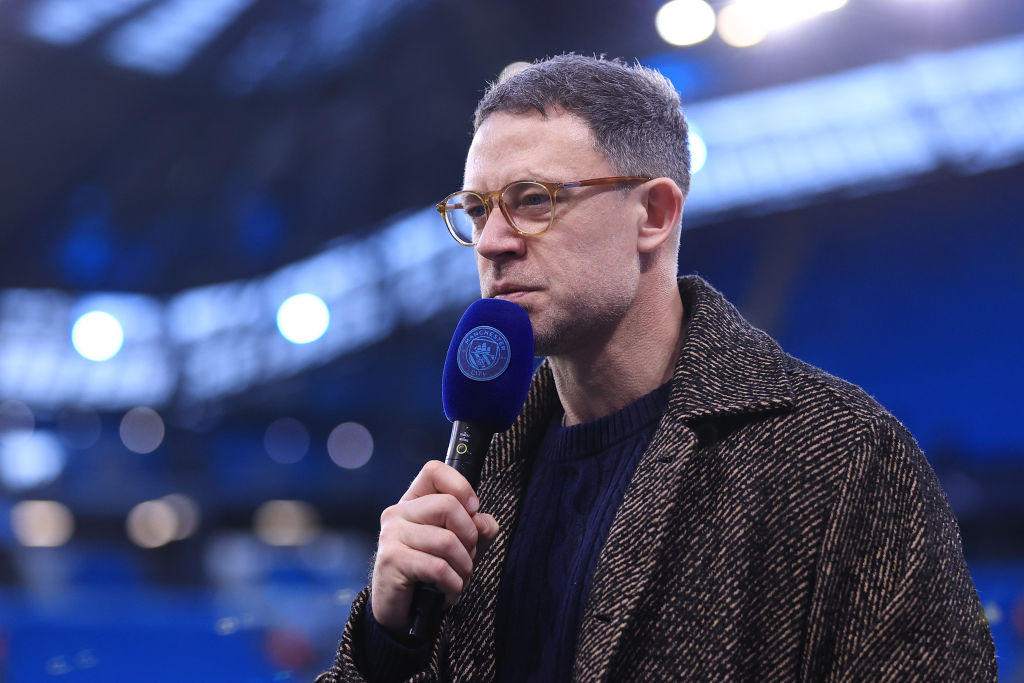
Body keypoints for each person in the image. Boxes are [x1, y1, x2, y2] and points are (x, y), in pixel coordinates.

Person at [317, 54, 997, 682]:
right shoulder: (477, 476)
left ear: (654, 213)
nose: (491, 242)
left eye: (532, 200)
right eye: (475, 210)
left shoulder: (843, 456)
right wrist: (386, 645)